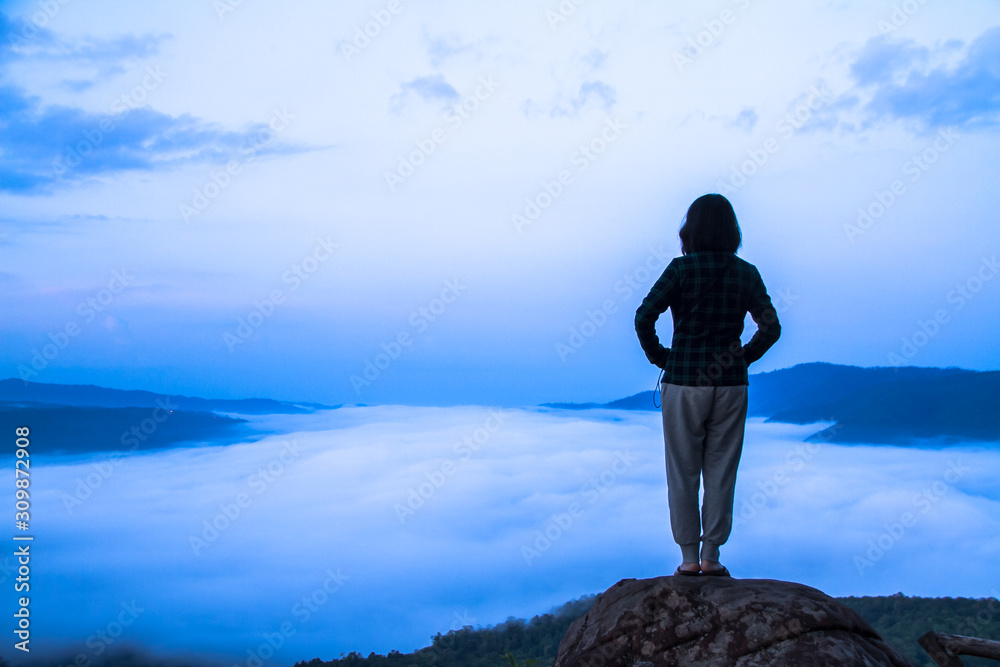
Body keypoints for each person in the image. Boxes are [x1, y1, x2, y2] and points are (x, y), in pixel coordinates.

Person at [634, 193, 780, 577]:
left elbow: (643, 316)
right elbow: (771, 328)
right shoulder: (746, 273)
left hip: (683, 382)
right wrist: (742, 357)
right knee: (721, 469)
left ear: (690, 230)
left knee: (683, 471)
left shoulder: (680, 270)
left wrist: (661, 357)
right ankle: (712, 556)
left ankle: (687, 558)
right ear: (733, 231)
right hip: (731, 384)